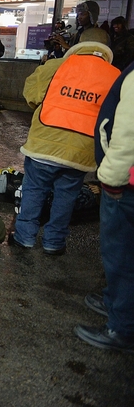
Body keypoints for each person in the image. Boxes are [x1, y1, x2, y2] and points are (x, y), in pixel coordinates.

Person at [11, 28, 120, 255]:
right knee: (66, 196)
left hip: (45, 142)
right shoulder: (115, 77)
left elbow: (31, 94)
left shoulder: (56, 65)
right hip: (81, 151)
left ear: (80, 43)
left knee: (34, 190)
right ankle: (54, 242)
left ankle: (25, 237)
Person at [74, 62, 134, 353]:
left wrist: (110, 179)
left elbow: (128, 133)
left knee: (121, 254)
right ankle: (116, 302)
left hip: (126, 185)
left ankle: (122, 327)